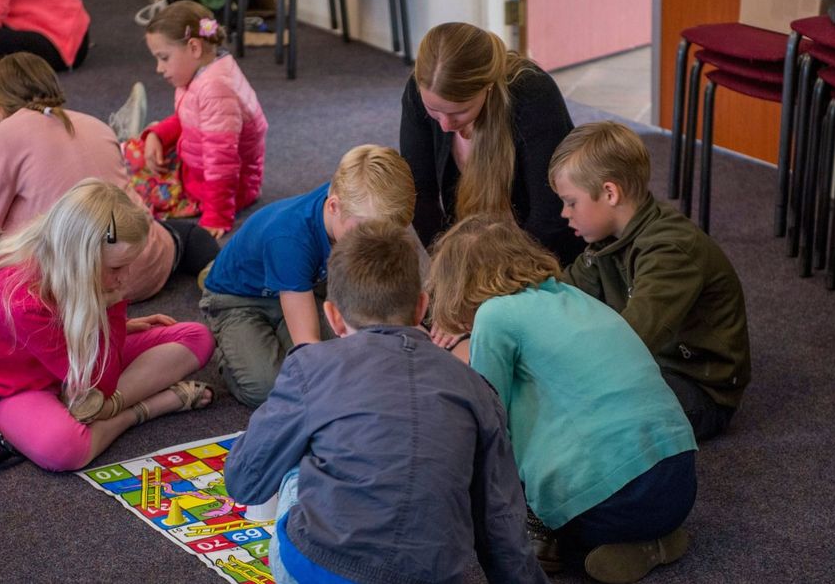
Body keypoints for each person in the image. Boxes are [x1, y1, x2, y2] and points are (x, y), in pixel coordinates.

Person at [224, 221, 548, 584]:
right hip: (432, 575)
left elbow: (245, 482)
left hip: (318, 571)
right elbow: (501, 521)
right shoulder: (476, 387)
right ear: (421, 306)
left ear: (332, 316)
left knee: (295, 456)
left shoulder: (310, 366)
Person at [428, 213, 698, 584]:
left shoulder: (494, 314)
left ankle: (565, 539)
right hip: (680, 482)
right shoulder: (571, 296)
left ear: (456, 282)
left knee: (500, 467)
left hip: (613, 505)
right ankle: (654, 540)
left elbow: (486, 419)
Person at [0, 179, 215, 472]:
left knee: (197, 337)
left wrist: (119, 325)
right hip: (17, 387)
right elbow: (100, 382)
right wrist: (112, 307)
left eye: (129, 265)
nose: (126, 278)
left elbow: (75, 337)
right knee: (64, 448)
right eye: (116, 268)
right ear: (79, 259)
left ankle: (96, 410)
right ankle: (140, 410)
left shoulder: (64, 263)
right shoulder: (22, 299)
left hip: (76, 355)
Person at [0, 52, 218, 302]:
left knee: (13, 231)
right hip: (136, 270)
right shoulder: (97, 125)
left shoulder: (5, 134)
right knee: (189, 234)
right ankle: (219, 275)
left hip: (63, 289)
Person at [550, 121, 751, 442]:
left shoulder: (671, 250)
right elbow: (559, 296)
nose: (564, 213)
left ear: (610, 193)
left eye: (570, 202)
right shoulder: (607, 239)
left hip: (699, 387)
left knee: (580, 414)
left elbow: (629, 343)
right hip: (653, 363)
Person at [200, 145, 415, 408]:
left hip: (304, 289)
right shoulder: (290, 238)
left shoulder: (354, 207)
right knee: (268, 387)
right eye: (366, 233)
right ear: (334, 206)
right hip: (239, 300)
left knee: (347, 345)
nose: (375, 246)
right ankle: (229, 351)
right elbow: (308, 345)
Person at [399, 21, 583, 265]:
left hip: (544, 252)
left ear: (487, 87)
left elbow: (551, 212)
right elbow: (420, 194)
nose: (444, 125)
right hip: (473, 250)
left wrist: (512, 279)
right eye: (434, 110)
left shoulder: (533, 94)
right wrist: (449, 264)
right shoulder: (416, 92)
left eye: (459, 112)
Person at [120, 0, 267, 239]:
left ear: (194, 48)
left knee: (126, 185)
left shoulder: (216, 89)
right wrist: (158, 136)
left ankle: (121, 139)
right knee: (133, 153)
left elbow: (222, 161)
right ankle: (138, 135)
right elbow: (186, 118)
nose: (159, 68)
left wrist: (217, 216)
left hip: (216, 190)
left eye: (164, 57)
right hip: (195, 164)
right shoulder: (203, 72)